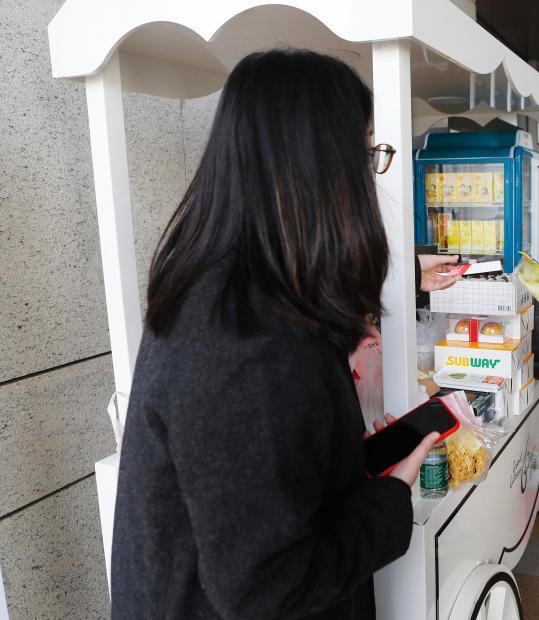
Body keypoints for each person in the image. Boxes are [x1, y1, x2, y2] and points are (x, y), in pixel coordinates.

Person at [111, 49, 439, 619]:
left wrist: (344, 457)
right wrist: (391, 497)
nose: (370, 174)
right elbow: (266, 586)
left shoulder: (242, 290)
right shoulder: (244, 342)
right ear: (319, 168)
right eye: (366, 152)